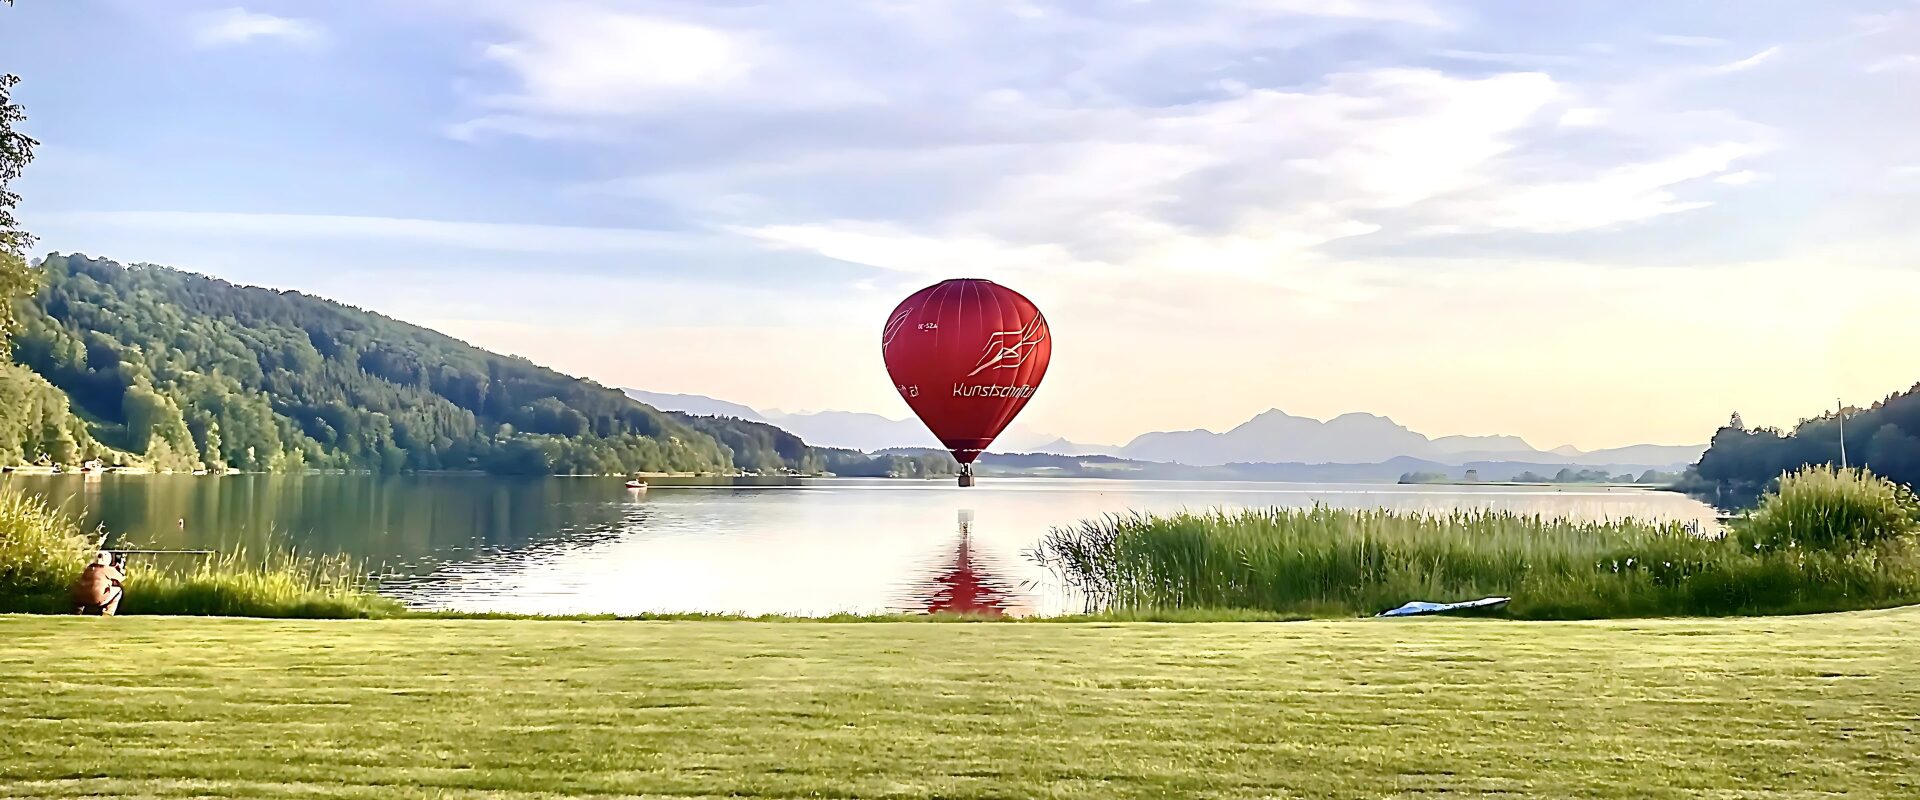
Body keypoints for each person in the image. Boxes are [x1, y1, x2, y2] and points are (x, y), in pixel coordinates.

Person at [73, 551, 126, 616]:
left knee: (82, 590)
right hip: (96, 599)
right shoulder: (108, 569)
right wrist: (121, 570)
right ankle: (108, 613)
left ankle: (78, 612)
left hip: (81, 598)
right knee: (119, 590)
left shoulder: (87, 569)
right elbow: (123, 580)